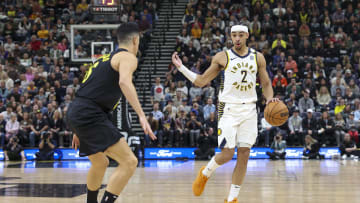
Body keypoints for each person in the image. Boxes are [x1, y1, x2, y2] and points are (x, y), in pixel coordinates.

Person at [172, 25, 277, 203]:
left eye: (240, 35)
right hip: (228, 108)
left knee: (244, 154)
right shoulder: (222, 56)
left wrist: (270, 100)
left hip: (250, 109)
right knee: (227, 154)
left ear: (247, 36)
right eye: (234, 35)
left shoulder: (257, 57)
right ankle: (205, 173)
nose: (237, 38)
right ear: (230, 36)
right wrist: (182, 68)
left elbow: (266, 84)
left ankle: (232, 198)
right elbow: (201, 81)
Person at [67, 23, 156, 203]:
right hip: (90, 113)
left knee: (100, 163)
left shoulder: (103, 59)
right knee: (130, 162)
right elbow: (124, 82)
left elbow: (88, 89)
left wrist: (77, 128)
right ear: (135, 40)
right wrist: (141, 114)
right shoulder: (128, 57)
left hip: (77, 111)